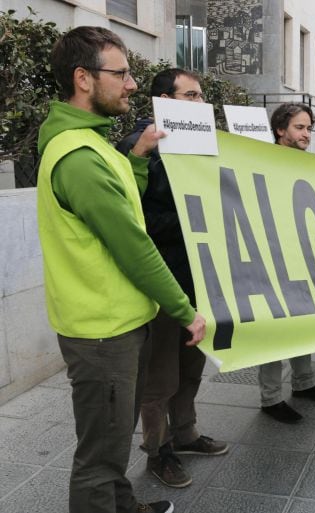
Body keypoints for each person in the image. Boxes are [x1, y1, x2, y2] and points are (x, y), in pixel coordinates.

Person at [38, 26, 205, 513]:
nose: (133, 84)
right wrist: (183, 309)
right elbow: (133, 243)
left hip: (114, 322)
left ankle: (121, 504)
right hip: (102, 331)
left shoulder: (92, 143)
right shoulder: (80, 155)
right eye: (123, 73)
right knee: (99, 455)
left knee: (111, 444)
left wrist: (135, 158)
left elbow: (121, 206)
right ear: (83, 79)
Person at [115, 68, 228, 489]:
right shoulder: (137, 149)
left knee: (190, 364)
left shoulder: (199, 145)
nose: (200, 104)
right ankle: (158, 450)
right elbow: (135, 218)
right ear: (164, 99)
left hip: (200, 277)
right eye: (192, 96)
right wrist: (190, 219)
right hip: (164, 280)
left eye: (201, 97)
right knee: (161, 375)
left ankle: (186, 433)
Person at [259, 102, 315, 424]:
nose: (307, 134)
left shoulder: (310, 163)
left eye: (309, 128)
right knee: (275, 329)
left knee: (305, 323)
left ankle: (304, 382)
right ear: (281, 130)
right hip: (272, 259)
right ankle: (271, 397)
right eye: (299, 128)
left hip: (304, 257)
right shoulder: (260, 161)